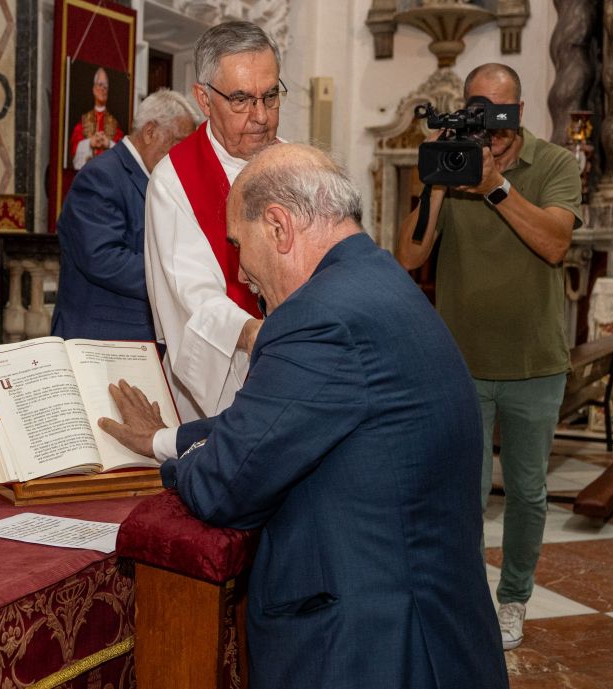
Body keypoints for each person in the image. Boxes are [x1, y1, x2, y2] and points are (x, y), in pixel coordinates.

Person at [99, 144, 509, 689]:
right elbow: (286, 419)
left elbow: (225, 486)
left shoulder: (318, 316)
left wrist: (182, 461)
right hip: (430, 624)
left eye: (238, 245)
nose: (242, 273)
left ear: (279, 226)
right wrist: (165, 439)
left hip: (370, 647)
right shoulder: (377, 282)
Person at [395, 63, 582, 651]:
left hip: (534, 361)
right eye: (478, 111)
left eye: (500, 115)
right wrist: (435, 179)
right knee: (463, 493)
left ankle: (514, 599)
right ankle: (468, 596)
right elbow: (408, 255)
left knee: (526, 492)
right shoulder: (451, 161)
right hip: (461, 362)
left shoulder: (553, 164)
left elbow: (555, 243)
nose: (489, 127)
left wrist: (497, 186)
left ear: (520, 113)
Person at [144, 20, 284, 424]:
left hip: (298, 371)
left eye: (270, 96)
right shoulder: (174, 182)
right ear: (204, 100)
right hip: (224, 380)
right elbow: (192, 298)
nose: (260, 116)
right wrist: (255, 334)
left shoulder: (297, 165)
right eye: (241, 99)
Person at [52, 90, 200, 342]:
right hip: (102, 338)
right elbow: (102, 258)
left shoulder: (155, 179)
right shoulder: (101, 176)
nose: (182, 155)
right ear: (150, 131)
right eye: (178, 142)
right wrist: (178, 278)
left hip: (134, 337)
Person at [69, 66, 124, 170]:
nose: (103, 89)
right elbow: (74, 149)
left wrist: (108, 143)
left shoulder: (114, 124)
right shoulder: (84, 121)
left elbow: (122, 152)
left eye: (106, 87)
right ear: (94, 89)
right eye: (100, 85)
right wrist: (90, 142)